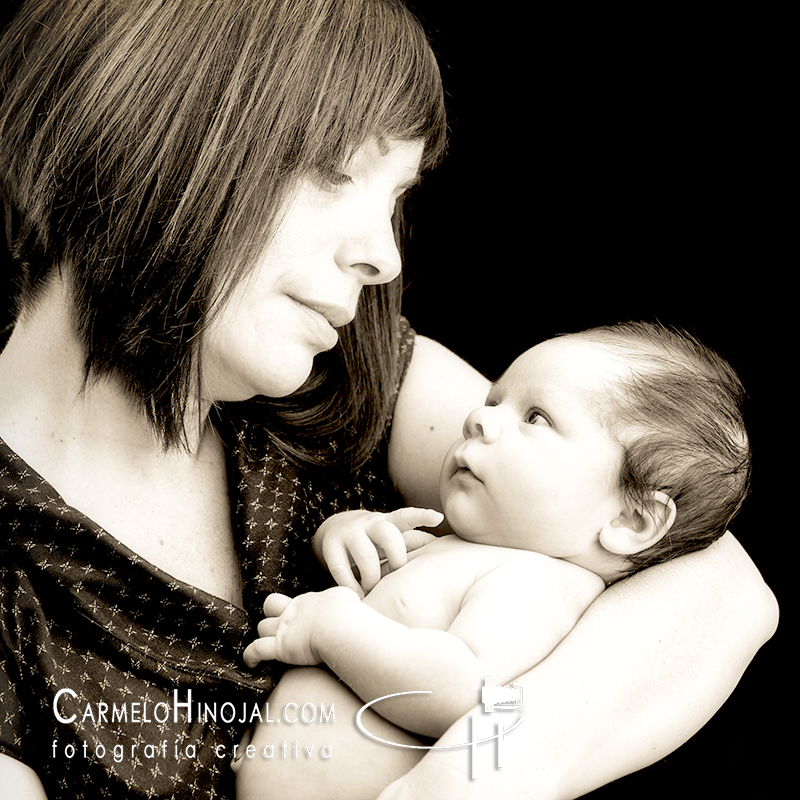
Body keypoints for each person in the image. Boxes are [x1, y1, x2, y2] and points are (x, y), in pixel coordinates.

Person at [0, 2, 777, 799]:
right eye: (338, 170)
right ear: (151, 130)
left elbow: (714, 579)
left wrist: (485, 769)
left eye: (395, 198)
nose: (382, 256)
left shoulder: (343, 370)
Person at [236, 322, 752, 798]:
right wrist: (349, 532)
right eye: (493, 399)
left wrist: (332, 628)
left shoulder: (538, 585)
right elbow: (395, 609)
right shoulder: (466, 544)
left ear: (631, 521)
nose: (478, 417)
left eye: (536, 417)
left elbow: (460, 691)